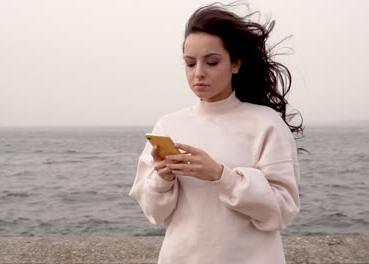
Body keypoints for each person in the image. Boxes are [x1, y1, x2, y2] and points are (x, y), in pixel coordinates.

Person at [129, 2, 304, 263]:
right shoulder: (168, 125)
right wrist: (162, 179)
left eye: (212, 62)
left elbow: (282, 210)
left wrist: (221, 175)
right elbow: (154, 213)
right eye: (190, 63)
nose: (199, 73)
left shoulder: (266, 123)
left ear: (235, 64)